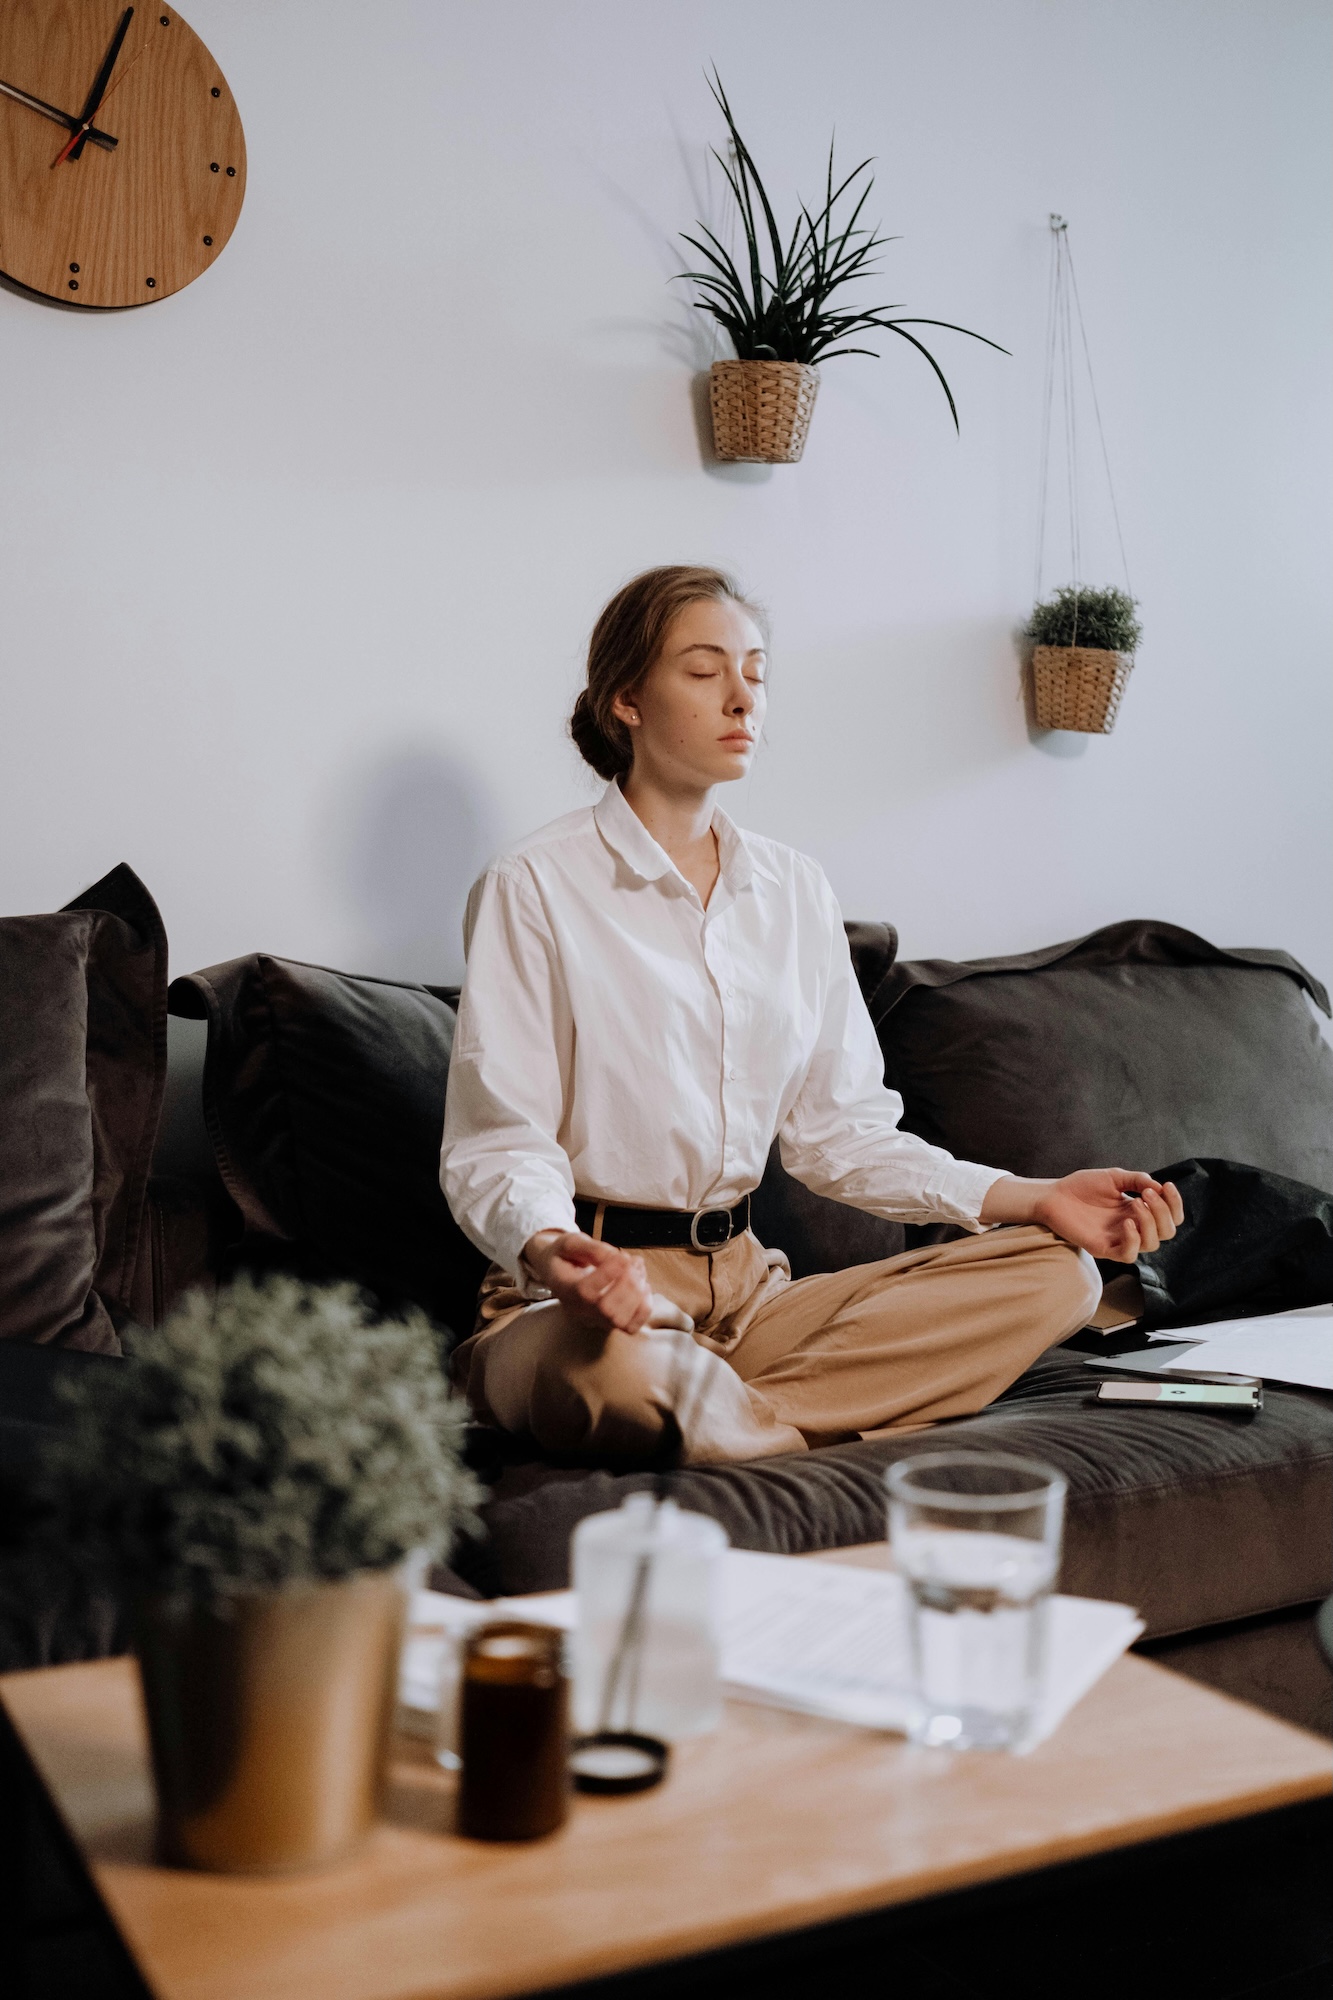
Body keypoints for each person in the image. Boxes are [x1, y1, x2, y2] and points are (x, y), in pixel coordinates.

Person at [440, 566, 1182, 1465]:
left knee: (1053, 1274)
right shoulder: (534, 885)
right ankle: (729, 1409)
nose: (742, 695)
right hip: (580, 1305)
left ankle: (730, 1420)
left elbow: (843, 1139)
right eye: (705, 670)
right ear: (626, 700)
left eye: (754, 669)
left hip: (752, 1295)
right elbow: (498, 1143)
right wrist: (553, 1249)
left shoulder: (793, 891)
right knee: (625, 1377)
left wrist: (1039, 1198)